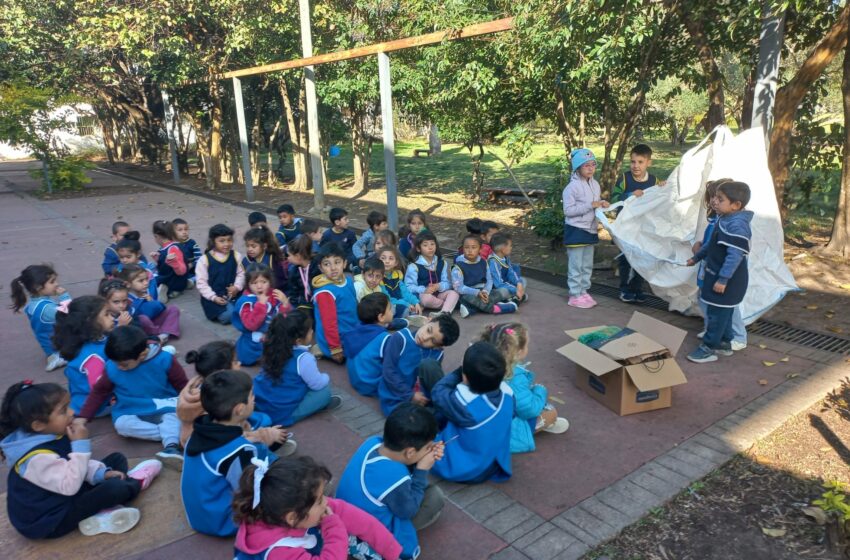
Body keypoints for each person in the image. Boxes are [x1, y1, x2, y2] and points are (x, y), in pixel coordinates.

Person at [0, 381, 162, 539]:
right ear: (38, 425)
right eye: (63, 411)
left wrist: (102, 474)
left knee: (116, 460)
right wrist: (80, 444)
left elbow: (69, 464)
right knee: (114, 489)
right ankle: (133, 484)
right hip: (49, 520)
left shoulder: (47, 434)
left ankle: (103, 508)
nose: (71, 412)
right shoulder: (36, 459)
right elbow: (70, 485)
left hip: (60, 494)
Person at [232, 456, 402, 560]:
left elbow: (361, 521)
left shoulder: (290, 508)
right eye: (320, 500)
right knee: (337, 533)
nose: (326, 503)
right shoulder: (279, 553)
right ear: (292, 517)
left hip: (300, 536)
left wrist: (392, 551)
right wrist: (334, 528)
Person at [181, 370, 285, 537]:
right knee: (279, 488)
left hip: (198, 516)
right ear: (240, 409)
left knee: (257, 446)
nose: (254, 399)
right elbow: (249, 491)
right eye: (252, 396)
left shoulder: (196, 433)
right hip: (224, 522)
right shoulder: (240, 451)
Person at [336, 404, 446, 560]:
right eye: (428, 447)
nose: (430, 449)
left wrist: (419, 457)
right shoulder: (395, 478)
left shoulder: (372, 443)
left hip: (344, 518)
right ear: (410, 452)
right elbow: (409, 510)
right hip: (368, 536)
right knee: (435, 497)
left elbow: (398, 467)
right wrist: (422, 470)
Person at [77, 326, 188, 468]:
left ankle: (171, 446)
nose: (119, 367)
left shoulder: (165, 359)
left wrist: (190, 405)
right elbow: (99, 391)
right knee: (122, 426)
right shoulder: (112, 367)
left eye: (123, 364)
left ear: (142, 355)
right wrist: (83, 417)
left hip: (164, 405)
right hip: (130, 408)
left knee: (173, 416)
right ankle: (173, 437)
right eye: (115, 362)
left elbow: (182, 386)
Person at [179, 341, 293, 452]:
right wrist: (262, 436)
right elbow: (227, 435)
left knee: (262, 416)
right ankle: (267, 451)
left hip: (215, 434)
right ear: (223, 372)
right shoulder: (216, 400)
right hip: (218, 447)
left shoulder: (203, 386)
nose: (239, 363)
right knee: (268, 428)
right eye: (235, 361)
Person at [686, 181, 753, 363]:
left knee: (717, 315)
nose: (714, 201)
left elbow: (734, 256)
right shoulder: (724, 219)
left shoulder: (737, 226)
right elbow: (711, 244)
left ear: (736, 205)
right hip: (716, 275)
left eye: (720, 199)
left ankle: (708, 347)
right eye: (714, 197)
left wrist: (723, 279)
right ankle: (725, 344)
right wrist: (697, 257)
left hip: (728, 281)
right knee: (724, 313)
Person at [430, 342, 513, 483]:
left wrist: (461, 369)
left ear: (466, 377)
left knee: (418, 419)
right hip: (491, 464)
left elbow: (438, 392)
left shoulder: (464, 402)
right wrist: (469, 368)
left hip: (463, 470)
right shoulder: (508, 394)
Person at [481, 323, 569, 454]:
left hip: (483, 418)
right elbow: (529, 410)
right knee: (550, 411)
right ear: (518, 351)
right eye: (526, 345)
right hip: (500, 431)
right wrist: (540, 391)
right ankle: (538, 427)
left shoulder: (481, 360)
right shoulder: (514, 376)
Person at [254, 311, 342, 426]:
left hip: (261, 401)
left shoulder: (271, 347)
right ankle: (314, 407)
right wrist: (326, 376)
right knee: (324, 392)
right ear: (299, 341)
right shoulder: (304, 358)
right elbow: (318, 384)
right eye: (310, 331)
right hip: (281, 413)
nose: (312, 332)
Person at [378, 314, 460, 416]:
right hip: (396, 399)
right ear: (427, 321)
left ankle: (445, 406)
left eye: (432, 340)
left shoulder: (437, 353)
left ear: (438, 346)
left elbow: (430, 378)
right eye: (429, 330)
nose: (425, 338)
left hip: (421, 398)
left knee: (430, 366)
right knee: (423, 419)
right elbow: (388, 372)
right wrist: (410, 395)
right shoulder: (400, 338)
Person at [612, 144, 664, 303]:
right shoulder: (625, 179)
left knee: (643, 258)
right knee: (627, 258)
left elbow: (659, 200)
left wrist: (663, 188)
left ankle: (637, 288)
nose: (636, 166)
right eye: (633, 162)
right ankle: (625, 290)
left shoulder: (654, 181)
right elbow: (614, 199)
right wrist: (629, 195)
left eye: (640, 162)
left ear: (649, 162)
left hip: (644, 228)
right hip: (626, 228)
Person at [53, 295, 115, 418]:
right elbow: (99, 388)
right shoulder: (92, 356)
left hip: (85, 400)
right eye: (107, 314)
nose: (112, 318)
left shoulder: (95, 340)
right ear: (90, 321)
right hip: (94, 406)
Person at [562, 148, 609, 309]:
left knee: (587, 264)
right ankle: (574, 295)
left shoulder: (595, 185)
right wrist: (590, 206)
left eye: (593, 165)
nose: (590, 168)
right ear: (577, 168)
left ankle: (584, 292)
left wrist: (601, 205)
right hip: (575, 231)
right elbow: (568, 211)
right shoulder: (571, 188)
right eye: (586, 165)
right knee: (576, 265)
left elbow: (594, 206)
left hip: (590, 230)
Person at [10, 264, 72, 371]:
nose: (57, 284)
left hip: (47, 342)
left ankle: (53, 355)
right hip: (59, 342)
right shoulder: (46, 308)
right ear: (38, 287)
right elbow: (70, 314)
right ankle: (59, 356)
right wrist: (65, 296)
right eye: (52, 282)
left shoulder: (32, 305)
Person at [233, 264, 292, 366]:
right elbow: (251, 325)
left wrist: (285, 304)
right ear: (248, 284)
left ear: (270, 282)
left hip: (272, 336)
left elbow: (283, 321)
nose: (259, 286)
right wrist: (261, 305)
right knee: (246, 360)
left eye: (264, 282)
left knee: (284, 356)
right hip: (252, 338)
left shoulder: (275, 295)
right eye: (254, 283)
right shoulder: (246, 301)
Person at [312, 243, 359, 362]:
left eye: (337, 262)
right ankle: (323, 349)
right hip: (336, 339)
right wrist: (335, 348)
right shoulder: (325, 292)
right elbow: (329, 323)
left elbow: (354, 307)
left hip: (350, 329)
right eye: (327, 264)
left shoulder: (348, 281)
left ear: (344, 263)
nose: (333, 268)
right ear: (321, 268)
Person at [452, 234, 516, 318]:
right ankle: (497, 308)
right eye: (466, 247)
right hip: (467, 293)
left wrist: (485, 292)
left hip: (483, 291)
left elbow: (489, 280)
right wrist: (477, 293)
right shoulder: (458, 266)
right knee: (469, 299)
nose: (470, 250)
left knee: (502, 290)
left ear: (480, 249)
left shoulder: (483, 262)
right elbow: (459, 288)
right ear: (462, 248)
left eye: (474, 247)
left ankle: (471, 309)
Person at [343, 293, 395, 397]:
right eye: (389, 308)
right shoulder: (384, 338)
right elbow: (391, 364)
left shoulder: (355, 329)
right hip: (372, 385)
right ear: (381, 317)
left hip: (356, 382)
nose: (392, 310)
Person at [116, 264, 181, 343]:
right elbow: (136, 315)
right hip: (142, 326)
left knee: (173, 309)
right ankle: (156, 336)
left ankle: (164, 335)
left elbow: (160, 308)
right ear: (128, 284)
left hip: (153, 321)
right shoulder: (126, 298)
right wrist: (143, 302)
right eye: (141, 281)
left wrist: (152, 301)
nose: (146, 283)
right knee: (143, 319)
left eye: (146, 279)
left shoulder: (146, 292)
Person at [197, 223, 245, 324]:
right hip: (214, 298)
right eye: (222, 241)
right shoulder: (204, 260)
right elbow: (202, 284)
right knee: (228, 316)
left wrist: (237, 287)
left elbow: (241, 274)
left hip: (234, 294)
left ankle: (237, 309)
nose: (226, 244)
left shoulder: (236, 255)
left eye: (229, 240)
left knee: (250, 302)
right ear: (213, 242)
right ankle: (234, 311)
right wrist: (213, 297)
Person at [404, 231, 459, 316]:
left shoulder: (443, 263)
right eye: (425, 245)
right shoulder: (413, 266)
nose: (430, 248)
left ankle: (443, 313)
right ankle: (447, 307)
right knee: (426, 298)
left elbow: (447, 284)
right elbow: (408, 287)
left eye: (432, 244)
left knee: (454, 293)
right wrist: (424, 290)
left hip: (439, 294)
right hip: (424, 296)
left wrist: (439, 286)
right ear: (418, 249)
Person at [378, 247, 423, 322]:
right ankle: (404, 318)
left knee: (416, 298)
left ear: (396, 262)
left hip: (400, 301)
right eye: (383, 258)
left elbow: (405, 292)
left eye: (391, 258)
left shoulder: (398, 274)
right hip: (389, 304)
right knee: (400, 308)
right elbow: (387, 298)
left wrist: (415, 302)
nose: (387, 261)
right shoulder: (379, 277)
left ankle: (409, 315)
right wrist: (406, 304)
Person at [149, 219, 190, 300]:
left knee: (151, 280)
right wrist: (157, 258)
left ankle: (167, 290)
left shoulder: (173, 249)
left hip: (174, 280)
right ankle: (181, 286)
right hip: (173, 278)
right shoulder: (167, 247)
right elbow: (165, 265)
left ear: (156, 236)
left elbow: (182, 270)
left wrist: (174, 263)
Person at [114, 231, 161, 301]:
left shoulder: (144, 270)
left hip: (144, 297)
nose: (124, 260)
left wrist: (151, 298)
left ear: (138, 254)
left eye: (128, 257)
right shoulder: (121, 267)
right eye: (121, 257)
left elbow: (150, 287)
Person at [488, 232, 527, 305]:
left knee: (523, 281)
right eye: (510, 246)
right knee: (503, 291)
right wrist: (516, 289)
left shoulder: (505, 257)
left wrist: (518, 283)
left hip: (506, 283)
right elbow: (498, 284)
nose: (511, 247)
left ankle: (514, 297)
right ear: (503, 249)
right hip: (496, 288)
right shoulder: (493, 261)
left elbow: (511, 272)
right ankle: (516, 296)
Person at [285, 235, 319, 311]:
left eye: (289, 255)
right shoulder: (293, 272)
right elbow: (294, 293)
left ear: (297, 256)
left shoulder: (318, 267)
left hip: (319, 303)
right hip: (304, 305)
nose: (287, 258)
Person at [173, 218, 202, 284]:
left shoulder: (192, 243)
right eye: (180, 230)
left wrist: (192, 264)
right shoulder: (172, 244)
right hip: (178, 268)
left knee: (202, 271)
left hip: (191, 268)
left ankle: (192, 280)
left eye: (186, 229)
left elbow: (199, 258)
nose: (184, 232)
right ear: (172, 232)